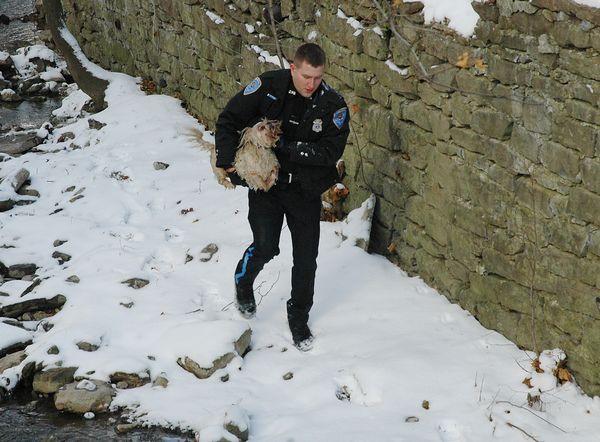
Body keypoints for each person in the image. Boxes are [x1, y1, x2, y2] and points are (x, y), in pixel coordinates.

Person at [215, 43, 350, 351]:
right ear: (293, 68)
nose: (310, 84)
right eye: (305, 76)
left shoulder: (333, 105)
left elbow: (329, 152)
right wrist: (226, 160)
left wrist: (284, 146)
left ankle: (298, 315)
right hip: (267, 186)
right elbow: (228, 119)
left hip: (304, 189)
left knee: (306, 259)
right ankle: (244, 280)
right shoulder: (268, 86)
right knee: (266, 246)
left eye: (317, 77)